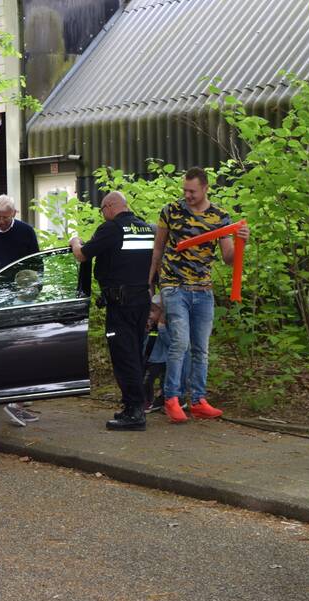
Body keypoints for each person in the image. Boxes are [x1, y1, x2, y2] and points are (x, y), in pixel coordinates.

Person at [148, 167, 250, 423]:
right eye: (185, 190)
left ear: (205, 188)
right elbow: (158, 248)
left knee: (201, 349)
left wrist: (241, 243)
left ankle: (198, 400)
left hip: (203, 290)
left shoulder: (220, 217)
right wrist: (150, 281)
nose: (187, 195)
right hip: (174, 287)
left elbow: (228, 259)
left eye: (192, 191)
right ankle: (172, 397)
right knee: (180, 342)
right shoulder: (171, 211)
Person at [68, 191, 155, 430]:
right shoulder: (146, 228)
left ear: (109, 206)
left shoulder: (111, 229)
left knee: (124, 356)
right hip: (141, 302)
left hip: (121, 304)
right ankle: (133, 406)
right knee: (135, 354)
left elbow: (82, 255)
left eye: (102, 210)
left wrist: (75, 240)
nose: (102, 215)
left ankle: (135, 412)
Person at [0, 195, 42, 427]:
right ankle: (8, 394)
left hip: (20, 296)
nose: (1, 222)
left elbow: (36, 264)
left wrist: (34, 290)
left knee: (22, 344)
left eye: (5, 217)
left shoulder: (25, 232)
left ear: (14, 214)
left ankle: (17, 396)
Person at [143, 294, 190, 413]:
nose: (150, 314)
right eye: (149, 310)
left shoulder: (168, 327)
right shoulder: (150, 326)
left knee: (165, 384)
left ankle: (166, 402)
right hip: (150, 360)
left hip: (163, 360)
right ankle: (146, 401)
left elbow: (171, 344)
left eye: (153, 311)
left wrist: (162, 328)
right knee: (146, 381)